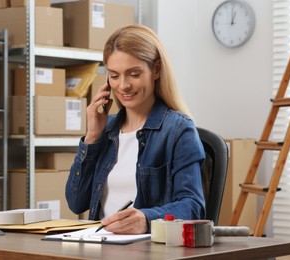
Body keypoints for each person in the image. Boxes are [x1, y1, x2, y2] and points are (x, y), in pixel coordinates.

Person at [65, 24, 205, 234]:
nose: (123, 86)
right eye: (114, 76)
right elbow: (76, 203)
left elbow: (193, 207)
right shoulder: (107, 130)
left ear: (156, 70)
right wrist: (92, 137)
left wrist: (147, 219)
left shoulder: (178, 130)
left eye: (134, 74)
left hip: (148, 251)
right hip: (100, 247)